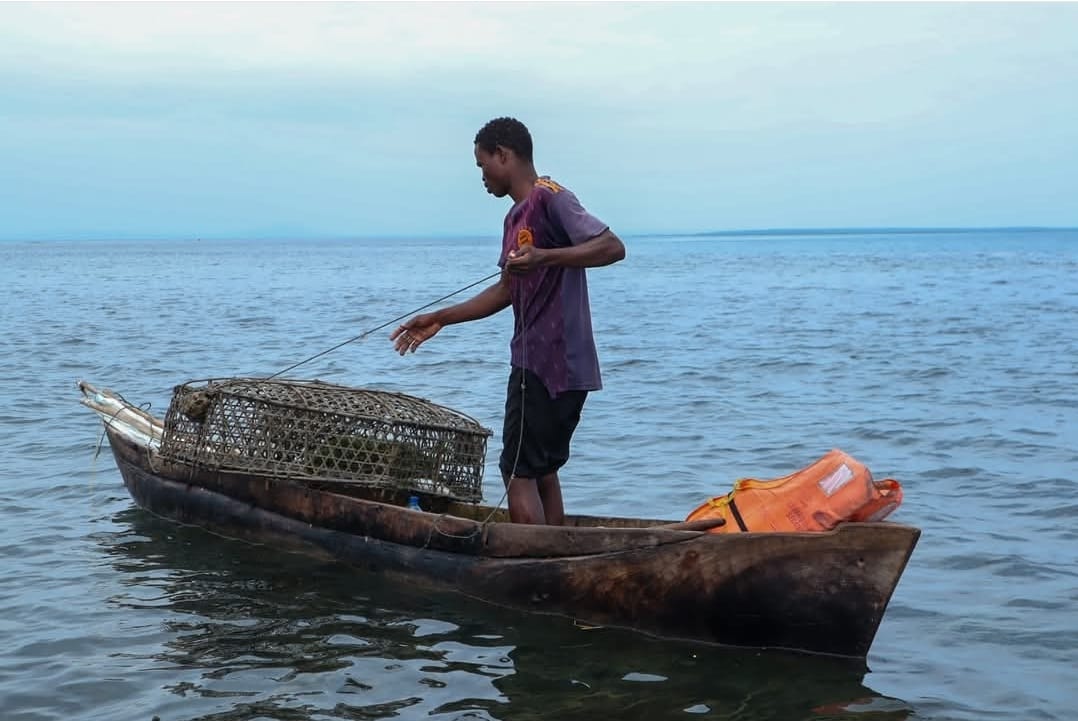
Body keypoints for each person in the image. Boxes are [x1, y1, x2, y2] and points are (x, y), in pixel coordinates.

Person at [390, 117, 625, 525]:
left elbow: (611, 246)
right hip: (552, 364)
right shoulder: (514, 219)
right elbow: (504, 291)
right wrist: (440, 319)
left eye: (483, 165)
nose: (481, 176)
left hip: (546, 363)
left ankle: (533, 565)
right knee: (543, 468)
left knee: (516, 472)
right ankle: (559, 557)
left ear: (504, 155)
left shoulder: (550, 198)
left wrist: (545, 257)